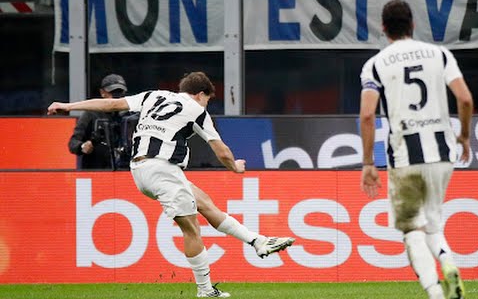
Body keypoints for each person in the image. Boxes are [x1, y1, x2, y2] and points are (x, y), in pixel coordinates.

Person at [49, 72, 295, 298]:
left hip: (140, 169)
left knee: (205, 203)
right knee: (192, 230)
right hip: (162, 168)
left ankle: (257, 241)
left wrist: (69, 106)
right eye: (206, 101)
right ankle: (206, 290)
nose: (205, 105)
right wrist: (235, 168)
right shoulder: (196, 110)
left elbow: (111, 105)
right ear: (200, 94)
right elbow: (222, 152)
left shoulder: (152, 95)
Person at [359, 0, 474, 299]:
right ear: (412, 25)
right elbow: (464, 99)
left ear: (384, 29)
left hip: (405, 156)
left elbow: (368, 114)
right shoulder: (440, 54)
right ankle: (448, 262)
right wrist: (464, 136)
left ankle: (435, 293)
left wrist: (368, 162)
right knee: (433, 224)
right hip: (442, 153)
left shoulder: (375, 64)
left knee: (412, 229)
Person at [67, 74, 129, 170]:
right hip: (95, 171)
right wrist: (86, 145)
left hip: (123, 172)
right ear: (102, 93)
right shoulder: (91, 114)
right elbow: (73, 144)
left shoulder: (129, 116)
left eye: (120, 92)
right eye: (112, 92)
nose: (116, 96)